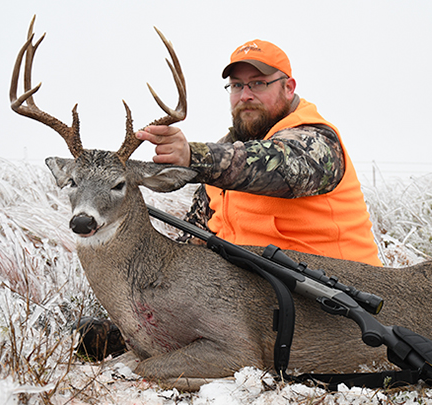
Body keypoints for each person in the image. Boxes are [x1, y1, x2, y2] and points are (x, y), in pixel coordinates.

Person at [136, 39, 382, 266]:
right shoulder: (224, 156)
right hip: (258, 292)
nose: (245, 95)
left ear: (288, 87)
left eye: (258, 83)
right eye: (236, 85)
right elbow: (196, 235)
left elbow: (277, 165)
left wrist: (194, 156)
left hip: (343, 297)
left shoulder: (317, 139)